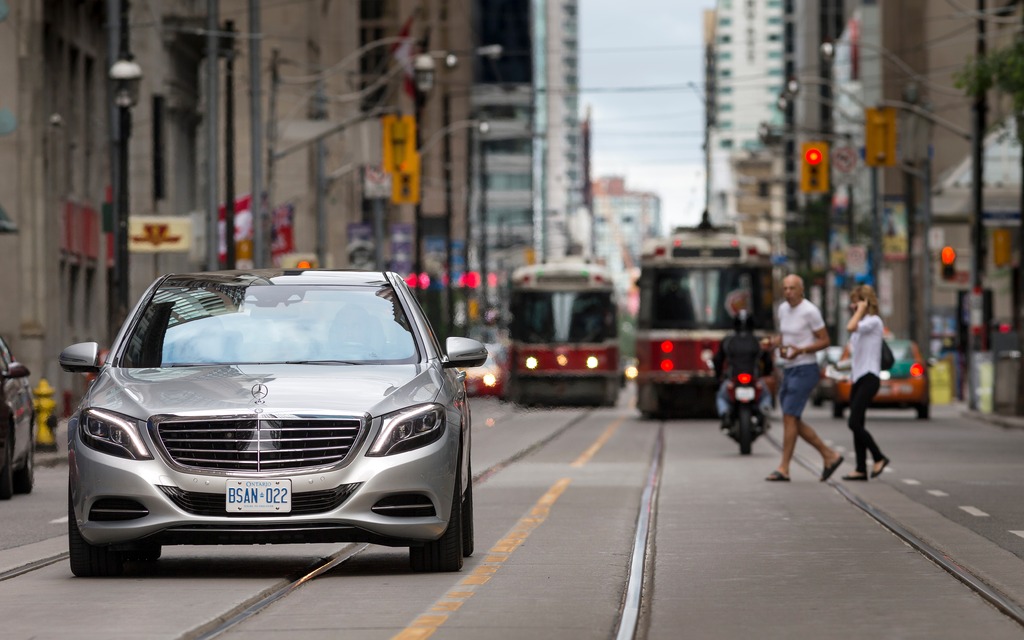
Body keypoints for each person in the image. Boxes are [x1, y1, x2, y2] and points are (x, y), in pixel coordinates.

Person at [762, 274, 844, 482]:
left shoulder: (810, 311)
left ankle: (784, 467)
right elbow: (786, 337)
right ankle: (829, 455)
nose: (788, 292)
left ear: (801, 290)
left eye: (792, 288)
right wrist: (774, 343)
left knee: (789, 417)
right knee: (792, 420)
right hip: (788, 369)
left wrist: (802, 350)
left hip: (805, 368)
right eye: (785, 288)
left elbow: (825, 340)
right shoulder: (782, 309)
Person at [838, 285, 890, 481]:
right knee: (857, 423)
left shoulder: (874, 322)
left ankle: (879, 457)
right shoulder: (861, 325)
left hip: (870, 377)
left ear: (865, 303)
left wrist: (860, 310)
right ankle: (861, 468)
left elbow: (850, 326)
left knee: (853, 422)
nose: (852, 306)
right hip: (858, 377)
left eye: (855, 302)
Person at [713, 310, 774, 429]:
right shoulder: (758, 341)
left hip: (733, 379)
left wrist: (718, 376)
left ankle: (724, 413)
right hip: (754, 379)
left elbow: (718, 360)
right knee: (766, 396)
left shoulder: (728, 341)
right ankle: (764, 410)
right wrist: (766, 373)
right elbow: (767, 361)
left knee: (721, 396)